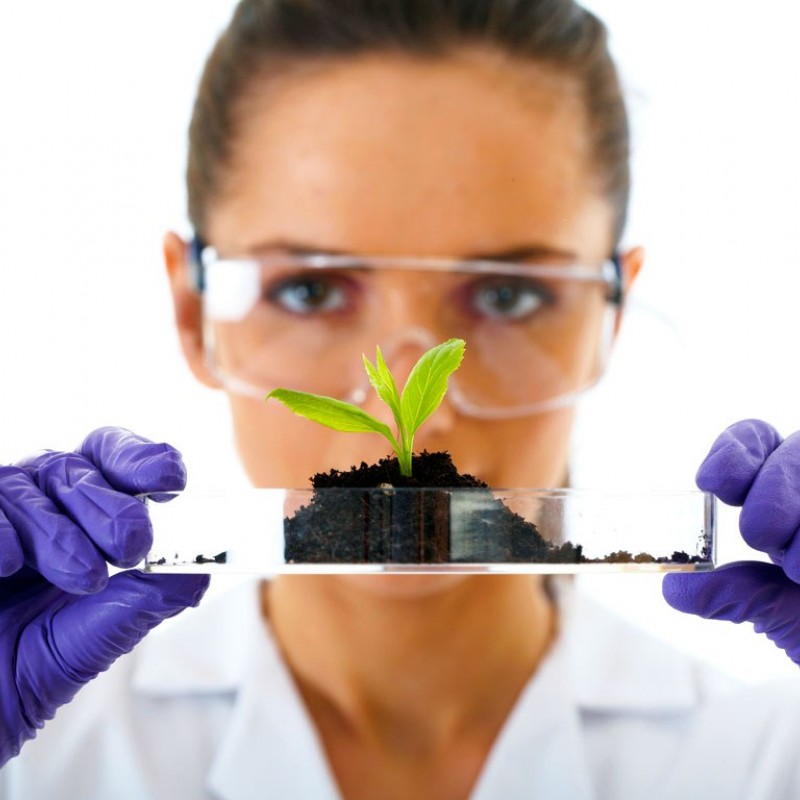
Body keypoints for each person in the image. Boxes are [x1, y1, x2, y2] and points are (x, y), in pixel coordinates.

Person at [2, 0, 800, 796]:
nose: (403, 421)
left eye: (508, 296)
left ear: (609, 318)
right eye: (309, 289)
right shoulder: (46, 765)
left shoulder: (764, 763)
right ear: (192, 311)